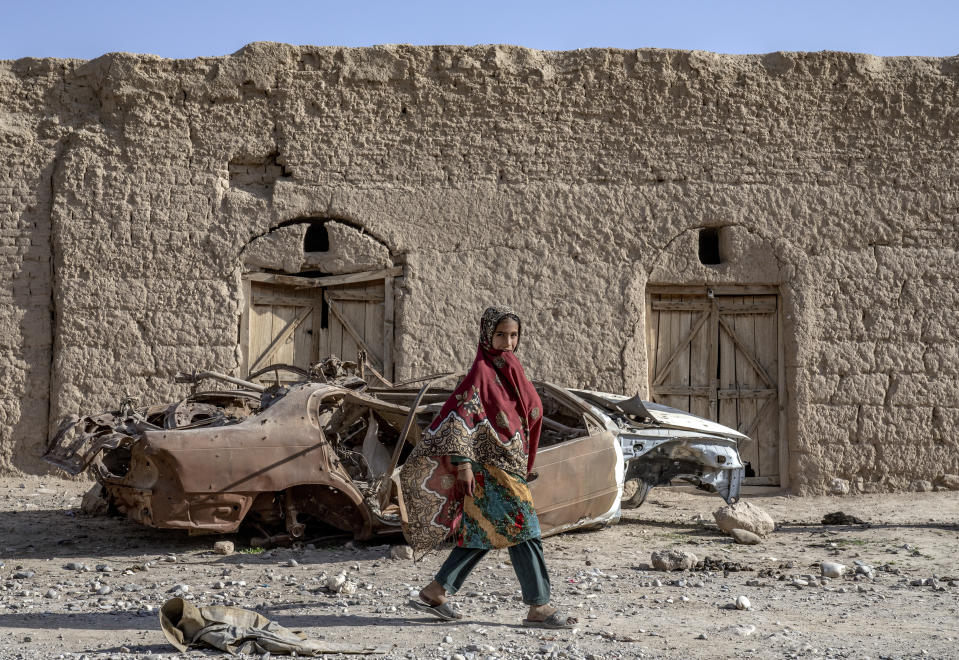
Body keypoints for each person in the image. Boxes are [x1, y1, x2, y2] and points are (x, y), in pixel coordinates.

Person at [400, 306, 577, 629]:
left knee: (485, 530)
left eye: (514, 335)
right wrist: (464, 465)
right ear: (486, 335)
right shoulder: (481, 373)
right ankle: (539, 606)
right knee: (525, 530)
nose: (508, 342)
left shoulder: (511, 369)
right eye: (501, 335)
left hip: (509, 464)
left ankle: (436, 590)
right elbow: (459, 419)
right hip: (489, 467)